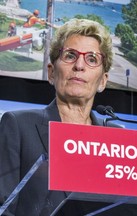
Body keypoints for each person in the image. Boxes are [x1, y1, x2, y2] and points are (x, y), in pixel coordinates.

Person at [0, 18, 115, 215]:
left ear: (103, 81)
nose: (79, 65)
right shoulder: (17, 126)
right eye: (70, 56)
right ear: (52, 73)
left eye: (92, 59)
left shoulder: (117, 139)